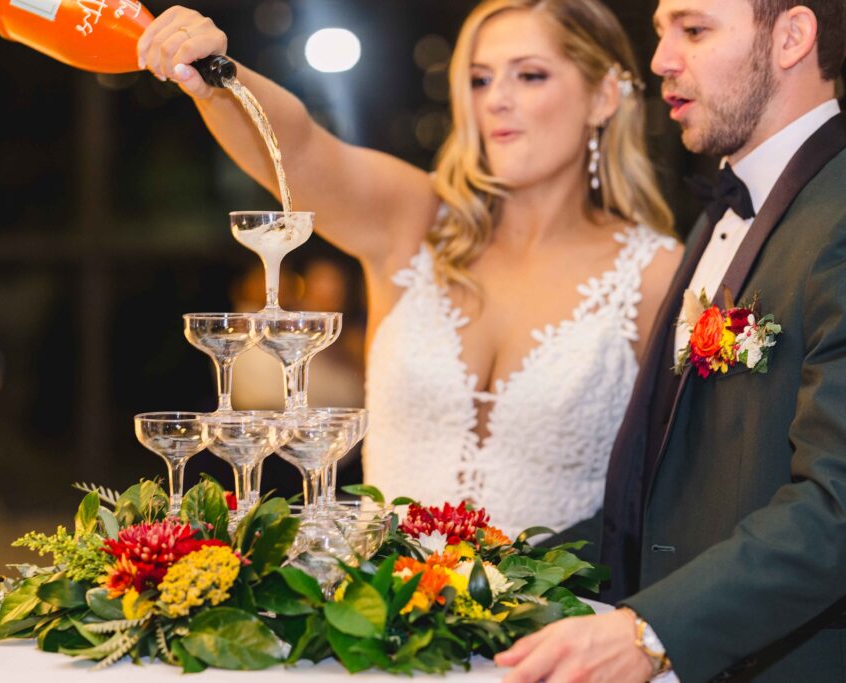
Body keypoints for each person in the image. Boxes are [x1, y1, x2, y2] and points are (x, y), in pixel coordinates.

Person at [137, 0, 681, 538]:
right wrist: (216, 74)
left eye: (530, 76)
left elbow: (674, 492)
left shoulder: (655, 272)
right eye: (480, 80)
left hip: (559, 619)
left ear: (604, 95)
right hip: (372, 611)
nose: (496, 101)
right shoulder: (413, 219)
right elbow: (300, 148)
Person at [496, 1, 846, 681]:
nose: (659, 60)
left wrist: (653, 632)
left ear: (792, 38)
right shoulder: (724, 214)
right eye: (660, 33)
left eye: (693, 29)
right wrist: (497, 568)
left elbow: (837, 505)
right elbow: (667, 487)